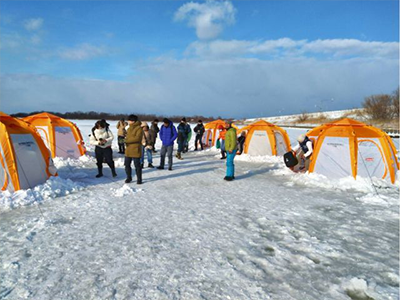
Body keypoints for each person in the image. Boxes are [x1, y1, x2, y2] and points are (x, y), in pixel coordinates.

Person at [124, 115, 144, 184]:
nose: (128, 121)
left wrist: (126, 141)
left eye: (129, 120)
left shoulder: (139, 128)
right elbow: (128, 137)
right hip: (128, 150)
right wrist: (124, 139)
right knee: (127, 165)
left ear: (133, 121)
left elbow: (137, 138)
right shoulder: (129, 128)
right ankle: (129, 177)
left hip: (136, 149)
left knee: (137, 166)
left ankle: (139, 179)